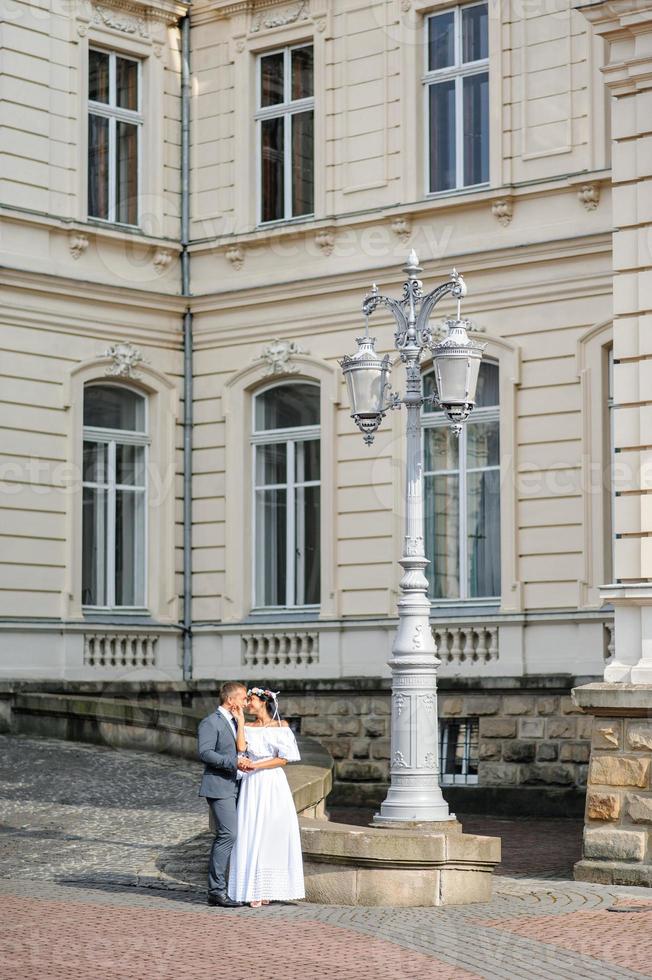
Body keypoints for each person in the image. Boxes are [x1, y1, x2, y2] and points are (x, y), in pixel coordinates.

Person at [228, 687, 305, 907]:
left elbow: (284, 759)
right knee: (250, 831)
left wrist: (256, 765)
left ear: (263, 702)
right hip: (253, 784)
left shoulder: (281, 727)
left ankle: (269, 887)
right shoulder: (248, 726)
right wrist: (241, 721)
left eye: (250, 700)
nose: (247, 704)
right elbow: (241, 748)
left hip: (273, 783)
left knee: (273, 832)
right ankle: (251, 887)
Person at [197, 681, 253, 908]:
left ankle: (229, 887)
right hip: (220, 787)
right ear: (231, 700)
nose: (245, 702)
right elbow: (205, 753)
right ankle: (216, 891)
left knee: (235, 836)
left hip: (238, 785)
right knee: (228, 835)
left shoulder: (234, 721)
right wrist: (234, 762)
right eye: (242, 698)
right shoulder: (210, 722)